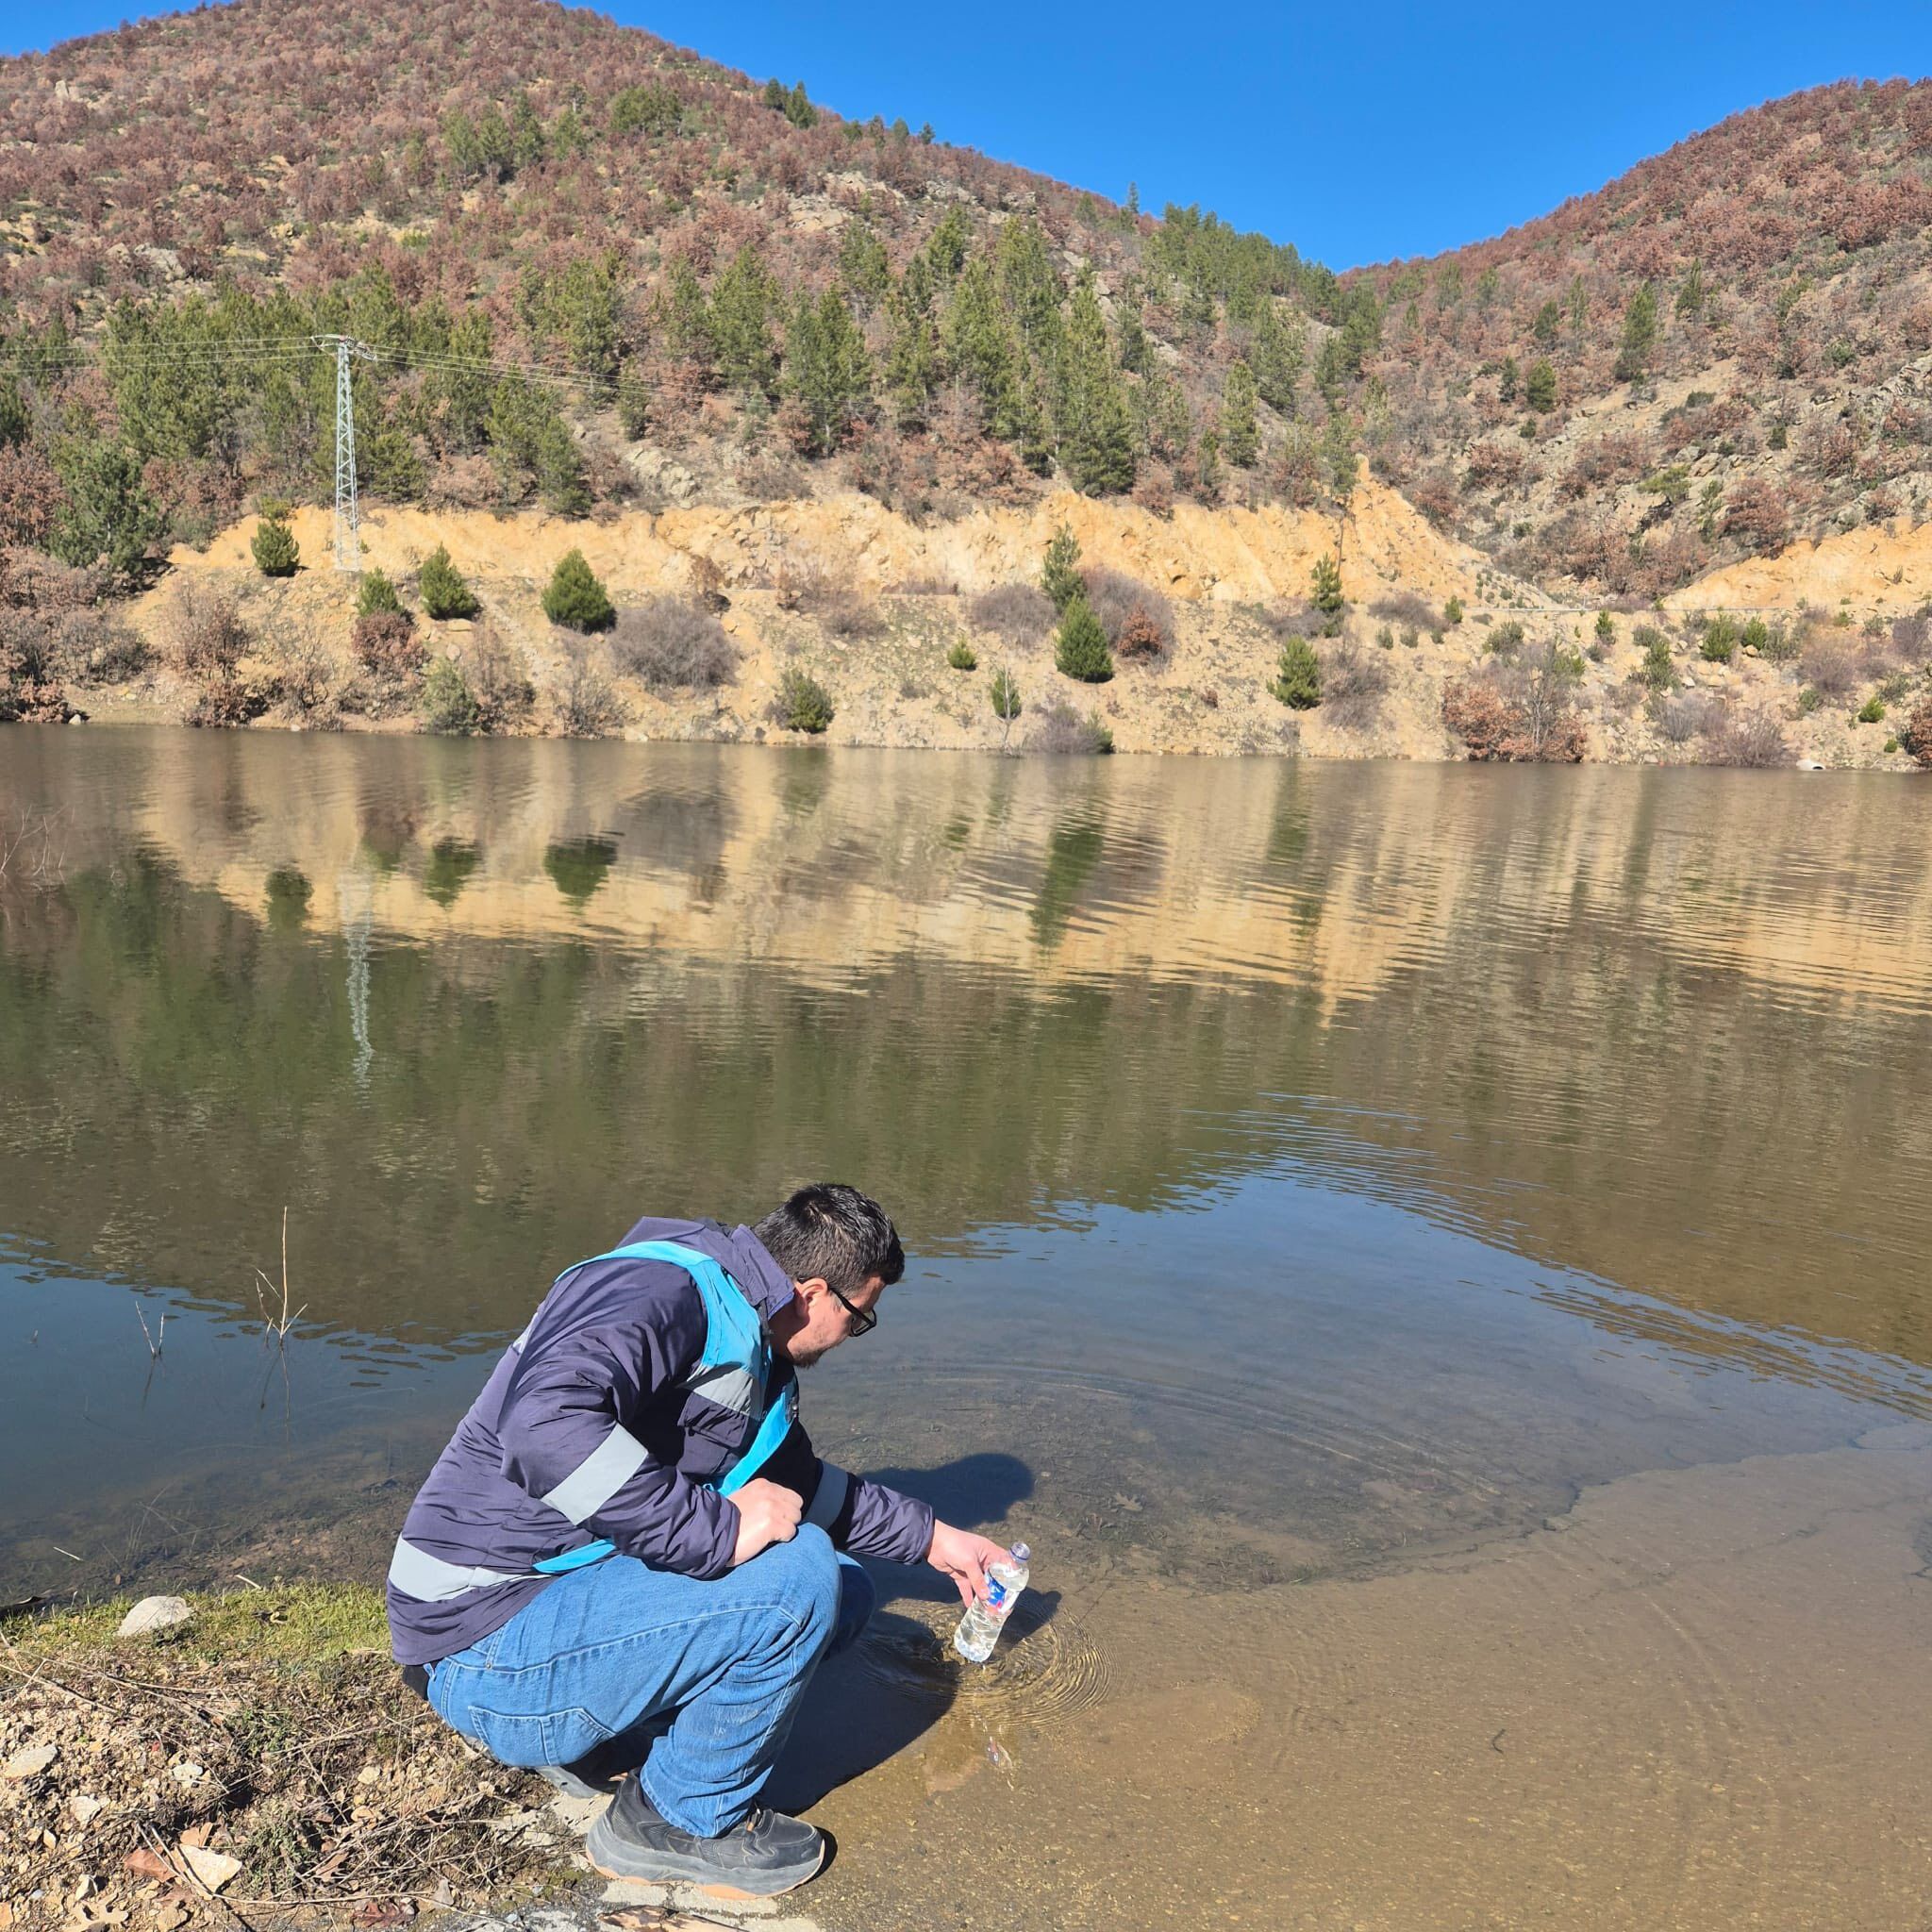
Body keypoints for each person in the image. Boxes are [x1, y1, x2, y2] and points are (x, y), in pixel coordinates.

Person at [387, 1184, 1009, 1899]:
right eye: (859, 1318)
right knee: (799, 1576)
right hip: (478, 1646)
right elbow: (545, 1430)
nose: (852, 1337)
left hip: (530, 1614)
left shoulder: (736, 1324)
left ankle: (612, 1737)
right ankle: (673, 1821)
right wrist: (717, 1530)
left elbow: (799, 1482)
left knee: (845, 1588)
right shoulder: (663, 1294)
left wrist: (938, 1542)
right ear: (811, 1293)